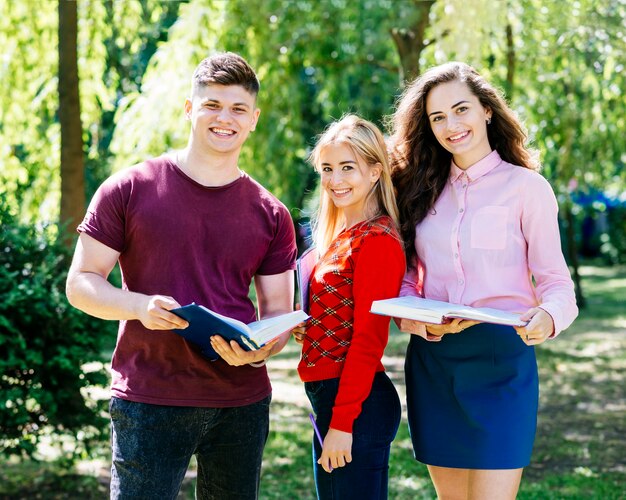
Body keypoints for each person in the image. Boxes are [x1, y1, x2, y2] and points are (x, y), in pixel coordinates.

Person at [66, 52, 297, 499]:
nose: (224, 118)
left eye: (237, 109)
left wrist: (257, 352)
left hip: (241, 403)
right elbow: (81, 283)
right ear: (190, 109)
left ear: (253, 119)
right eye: (212, 104)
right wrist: (138, 307)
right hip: (149, 399)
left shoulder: (271, 213)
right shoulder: (129, 188)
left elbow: (277, 313)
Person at [389, 62, 578, 499]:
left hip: (502, 360)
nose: (451, 126)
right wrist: (417, 321)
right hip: (433, 362)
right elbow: (404, 282)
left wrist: (547, 318)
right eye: (438, 117)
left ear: (487, 110)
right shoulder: (417, 191)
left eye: (461, 110)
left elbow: (557, 284)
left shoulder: (527, 188)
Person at [292, 115, 406, 499]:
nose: (334, 180)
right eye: (327, 168)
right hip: (330, 398)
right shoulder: (340, 237)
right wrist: (310, 326)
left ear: (375, 171)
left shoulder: (377, 240)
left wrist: (343, 423)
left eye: (347, 168)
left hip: (355, 405)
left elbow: (370, 339)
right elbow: (342, 314)